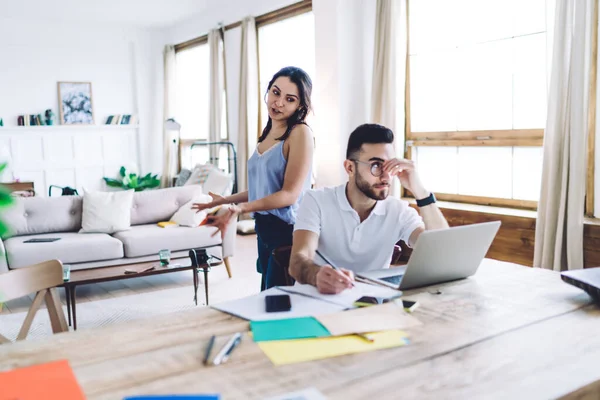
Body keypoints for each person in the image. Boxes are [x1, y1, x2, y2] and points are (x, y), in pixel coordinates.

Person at [289, 123, 449, 294]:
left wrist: (421, 192)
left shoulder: (398, 211)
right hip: (316, 301)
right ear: (350, 168)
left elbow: (442, 251)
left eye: (391, 167)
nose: (386, 177)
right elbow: (298, 261)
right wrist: (316, 275)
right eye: (376, 166)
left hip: (369, 306)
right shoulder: (316, 200)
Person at [192, 66, 314, 290]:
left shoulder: (300, 133)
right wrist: (224, 201)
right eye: (275, 93)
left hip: (288, 231)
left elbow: (288, 195)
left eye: (289, 99)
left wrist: (241, 209)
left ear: (300, 105)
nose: (278, 103)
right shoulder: (267, 134)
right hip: (265, 228)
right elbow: (263, 191)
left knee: (279, 299)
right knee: (267, 293)